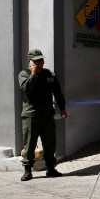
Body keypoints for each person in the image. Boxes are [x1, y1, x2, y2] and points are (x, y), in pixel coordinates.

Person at [18, 48, 67, 181]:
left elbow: (57, 92)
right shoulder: (24, 74)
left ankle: (50, 168)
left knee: (50, 142)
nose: (40, 63)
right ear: (30, 62)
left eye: (41, 60)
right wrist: (33, 74)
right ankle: (28, 170)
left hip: (47, 114)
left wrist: (62, 108)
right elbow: (27, 89)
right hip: (31, 115)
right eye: (37, 61)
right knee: (30, 143)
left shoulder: (49, 74)